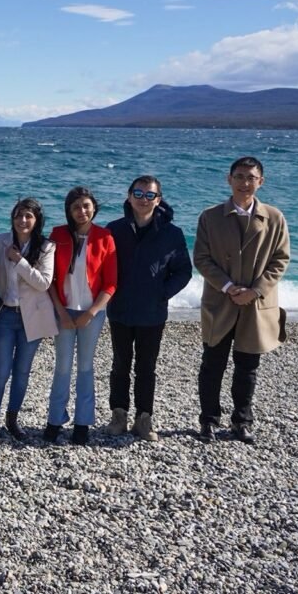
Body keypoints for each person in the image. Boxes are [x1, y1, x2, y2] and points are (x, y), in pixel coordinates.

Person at [194, 157, 290, 445]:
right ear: (229, 179)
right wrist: (227, 286)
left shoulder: (274, 217)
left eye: (251, 177)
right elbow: (201, 258)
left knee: (248, 366)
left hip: (256, 304)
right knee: (212, 364)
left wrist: (255, 290)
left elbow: (280, 259)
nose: (244, 183)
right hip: (220, 300)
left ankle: (242, 421)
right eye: (239, 176)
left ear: (261, 181)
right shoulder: (210, 216)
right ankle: (208, 421)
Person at [104, 177, 192, 441]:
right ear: (129, 196)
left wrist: (161, 294)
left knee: (146, 367)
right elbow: (101, 267)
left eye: (150, 195)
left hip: (152, 312)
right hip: (120, 309)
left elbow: (183, 271)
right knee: (120, 364)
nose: (144, 199)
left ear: (158, 199)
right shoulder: (114, 230)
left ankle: (144, 418)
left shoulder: (171, 233)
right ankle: (119, 414)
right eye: (138, 193)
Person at [45, 186, 117, 446]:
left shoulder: (105, 237)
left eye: (86, 206)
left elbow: (111, 284)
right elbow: (50, 280)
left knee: (85, 367)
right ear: (69, 210)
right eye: (76, 207)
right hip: (63, 311)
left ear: (93, 208)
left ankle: (82, 422)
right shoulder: (58, 235)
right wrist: (61, 312)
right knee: (62, 366)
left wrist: (91, 312)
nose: (81, 211)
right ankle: (55, 420)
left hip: (92, 313)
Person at [0, 198, 57, 441]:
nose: (22, 220)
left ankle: (12, 419)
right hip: (5, 314)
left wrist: (19, 261)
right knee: (0, 370)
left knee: (22, 371)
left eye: (28, 216)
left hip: (32, 316)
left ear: (37, 220)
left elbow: (43, 283)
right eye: (18, 215)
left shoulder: (46, 246)